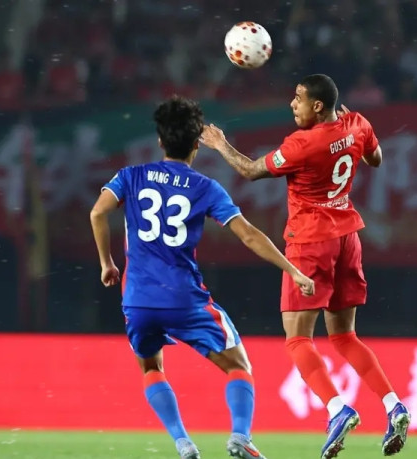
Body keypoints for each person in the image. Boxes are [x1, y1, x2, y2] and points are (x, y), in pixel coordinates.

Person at [90, 95, 315, 459]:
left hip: (138, 299)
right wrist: (292, 269)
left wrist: (107, 264)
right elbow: (248, 235)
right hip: (183, 297)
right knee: (239, 366)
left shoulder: (130, 176)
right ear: (197, 144)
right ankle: (240, 436)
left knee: (150, 366)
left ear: (160, 140)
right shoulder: (205, 188)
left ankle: (183, 443)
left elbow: (98, 213)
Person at [199, 74, 410, 458]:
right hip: (348, 237)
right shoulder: (357, 123)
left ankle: (337, 409)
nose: (292, 105)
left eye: (298, 98)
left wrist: (220, 144)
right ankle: (393, 404)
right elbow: (376, 159)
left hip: (311, 242)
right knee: (345, 337)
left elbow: (250, 170)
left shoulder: (302, 144)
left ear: (317, 106)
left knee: (298, 340)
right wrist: (352, 135)